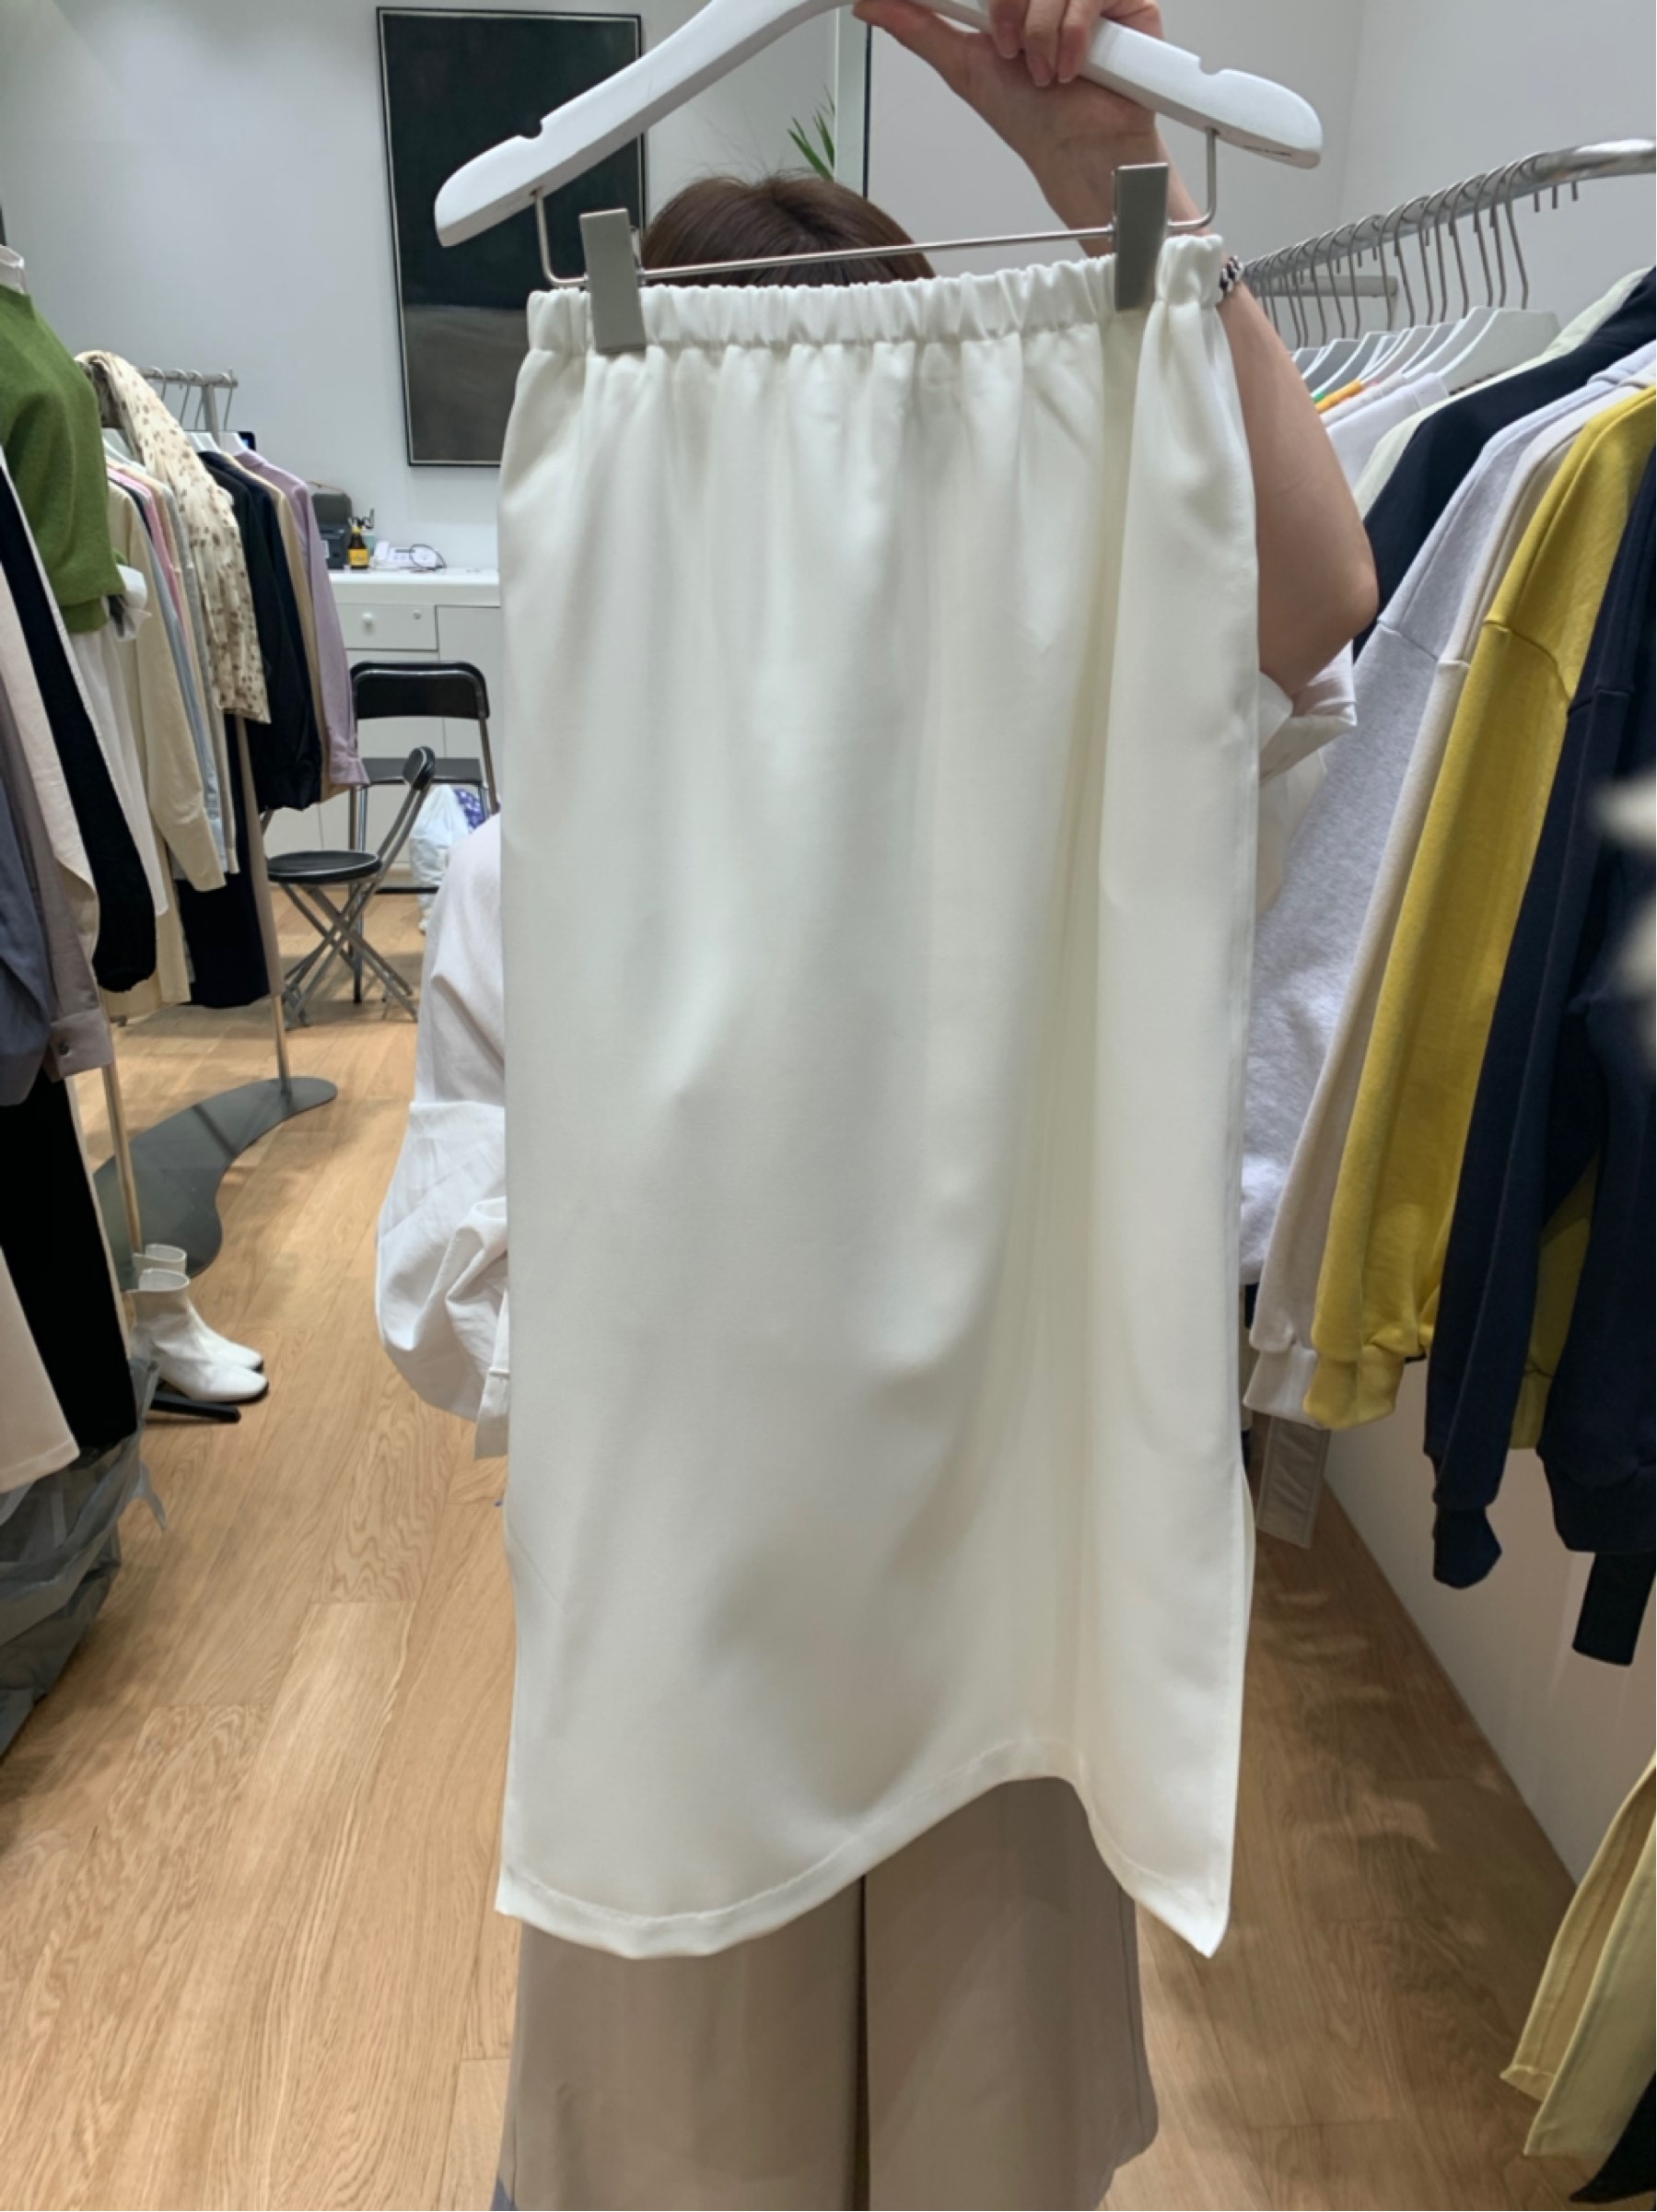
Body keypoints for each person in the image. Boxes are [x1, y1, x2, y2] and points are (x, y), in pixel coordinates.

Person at [379, 6, 1376, 2206]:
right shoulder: (550, 873)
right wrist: (741, 1323)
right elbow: (445, 1276)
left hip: (994, 1637)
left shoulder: (1050, 800)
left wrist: (1102, 175)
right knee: (679, 2157)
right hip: (688, 1657)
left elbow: (1318, 607)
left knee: (971, 2140)